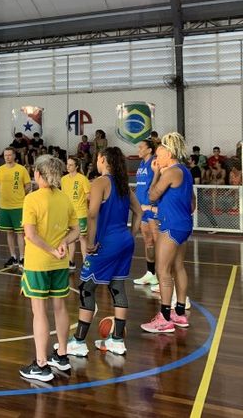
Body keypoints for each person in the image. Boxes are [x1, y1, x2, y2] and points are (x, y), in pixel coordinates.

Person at [66, 147, 143, 357]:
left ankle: (79, 342)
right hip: (124, 241)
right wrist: (131, 235)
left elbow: (91, 215)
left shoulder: (100, 182)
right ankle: (117, 340)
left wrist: (90, 242)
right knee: (117, 286)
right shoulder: (123, 185)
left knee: (86, 288)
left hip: (106, 243)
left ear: (102, 160)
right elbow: (139, 212)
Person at [19, 155, 79, 382]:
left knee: (39, 311)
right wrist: (63, 244)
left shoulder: (32, 199)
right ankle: (62, 355)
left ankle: (41, 364)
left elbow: (31, 235)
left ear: (39, 175)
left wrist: (52, 249)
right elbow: (76, 230)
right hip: (60, 263)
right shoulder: (64, 198)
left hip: (38, 263)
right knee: (60, 307)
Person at [141, 132, 194, 333]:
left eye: (159, 154)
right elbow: (192, 202)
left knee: (163, 271)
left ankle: (164, 318)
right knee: (178, 267)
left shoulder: (170, 172)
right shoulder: (185, 171)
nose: (156, 158)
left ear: (169, 154)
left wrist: (155, 174)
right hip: (183, 224)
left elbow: (152, 196)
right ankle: (179, 313)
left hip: (171, 226)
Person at [0, 148, 32, 269]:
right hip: (4, 206)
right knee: (9, 232)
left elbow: (28, 185)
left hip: (18, 206)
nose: (7, 157)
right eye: (5, 155)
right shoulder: (0, 170)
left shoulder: (21, 169)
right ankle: (13, 257)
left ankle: (23, 257)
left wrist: (21, 194)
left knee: (20, 233)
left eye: (10, 155)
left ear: (14, 156)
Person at [133, 139, 159, 287]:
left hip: (152, 208)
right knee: (148, 242)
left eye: (141, 147)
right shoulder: (142, 164)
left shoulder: (155, 163)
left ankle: (164, 278)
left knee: (159, 243)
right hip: (142, 209)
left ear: (149, 150)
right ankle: (151, 274)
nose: (139, 149)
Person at [61, 156, 91, 271]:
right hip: (68, 213)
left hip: (80, 213)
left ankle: (85, 262)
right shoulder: (63, 179)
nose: (68, 167)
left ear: (77, 166)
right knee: (70, 238)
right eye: (67, 164)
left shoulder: (82, 179)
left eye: (71, 165)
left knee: (83, 237)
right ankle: (71, 261)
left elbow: (88, 195)